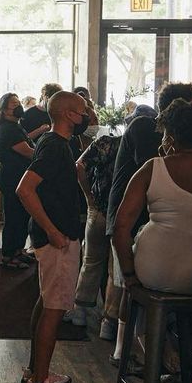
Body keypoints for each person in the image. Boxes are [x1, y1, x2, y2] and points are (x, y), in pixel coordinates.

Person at [105, 82, 192, 363]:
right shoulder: (144, 128)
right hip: (129, 218)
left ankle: (145, 348)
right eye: (191, 107)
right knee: (128, 284)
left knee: (133, 285)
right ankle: (126, 348)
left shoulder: (172, 140)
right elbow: (159, 166)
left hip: (150, 221)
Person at [16, 91, 91, 383]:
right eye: (83, 110)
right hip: (57, 238)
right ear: (69, 115)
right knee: (54, 308)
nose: (87, 115)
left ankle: (38, 370)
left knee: (47, 302)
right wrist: (52, 230)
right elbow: (25, 189)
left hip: (59, 234)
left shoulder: (56, 143)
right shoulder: (54, 146)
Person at [113, 99, 192, 296]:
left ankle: (129, 314)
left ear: (170, 136)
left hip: (153, 269)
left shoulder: (151, 168)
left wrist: (129, 276)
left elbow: (120, 227)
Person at [68, 130, 123, 339]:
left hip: (98, 208)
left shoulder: (106, 143)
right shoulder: (145, 148)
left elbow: (79, 166)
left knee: (91, 261)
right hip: (123, 214)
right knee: (115, 270)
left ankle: (79, 311)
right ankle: (109, 322)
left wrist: (88, 196)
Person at [0, 93, 35, 269]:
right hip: (11, 177)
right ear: (4, 110)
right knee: (13, 217)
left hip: (19, 176)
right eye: (14, 104)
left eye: (19, 103)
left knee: (22, 216)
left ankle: (18, 250)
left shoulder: (16, 126)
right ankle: (8, 255)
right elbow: (27, 151)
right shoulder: (6, 129)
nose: (18, 107)